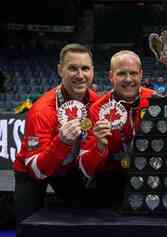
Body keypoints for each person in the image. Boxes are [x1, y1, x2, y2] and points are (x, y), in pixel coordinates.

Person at [13, 43, 98, 224]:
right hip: (31, 170)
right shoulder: (42, 110)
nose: (80, 75)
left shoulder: (97, 103)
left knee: (86, 214)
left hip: (67, 169)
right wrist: (62, 142)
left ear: (92, 71)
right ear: (60, 70)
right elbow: (37, 170)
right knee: (26, 224)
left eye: (85, 68)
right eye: (73, 68)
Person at [78, 50, 155, 206]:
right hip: (111, 181)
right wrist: (98, 146)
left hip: (151, 177)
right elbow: (85, 169)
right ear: (111, 76)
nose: (128, 79)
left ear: (141, 75)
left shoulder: (156, 101)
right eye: (121, 74)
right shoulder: (96, 110)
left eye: (133, 73)